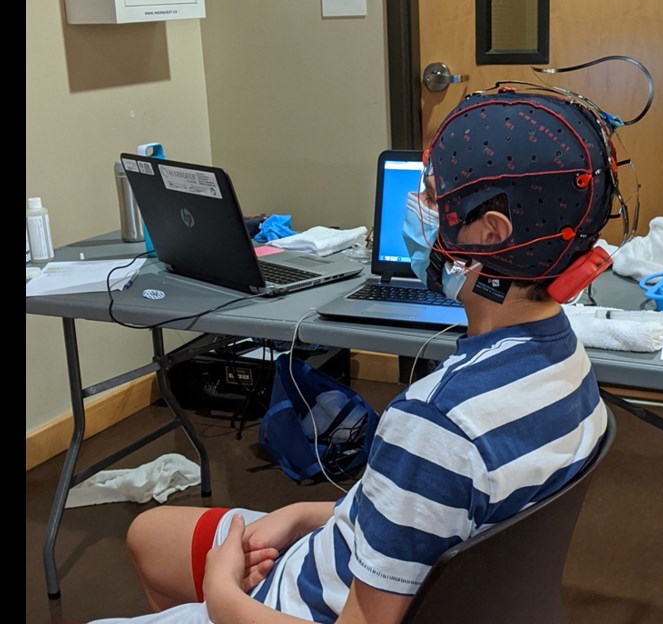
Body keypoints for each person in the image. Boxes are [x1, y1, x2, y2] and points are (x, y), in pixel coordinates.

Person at [89, 87, 621, 624]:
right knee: (149, 534)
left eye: (437, 197)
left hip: (300, 607)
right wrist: (298, 515)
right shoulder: (569, 365)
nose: (421, 211)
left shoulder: (437, 424)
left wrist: (222, 593)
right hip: (343, 555)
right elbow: (419, 517)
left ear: (490, 233)